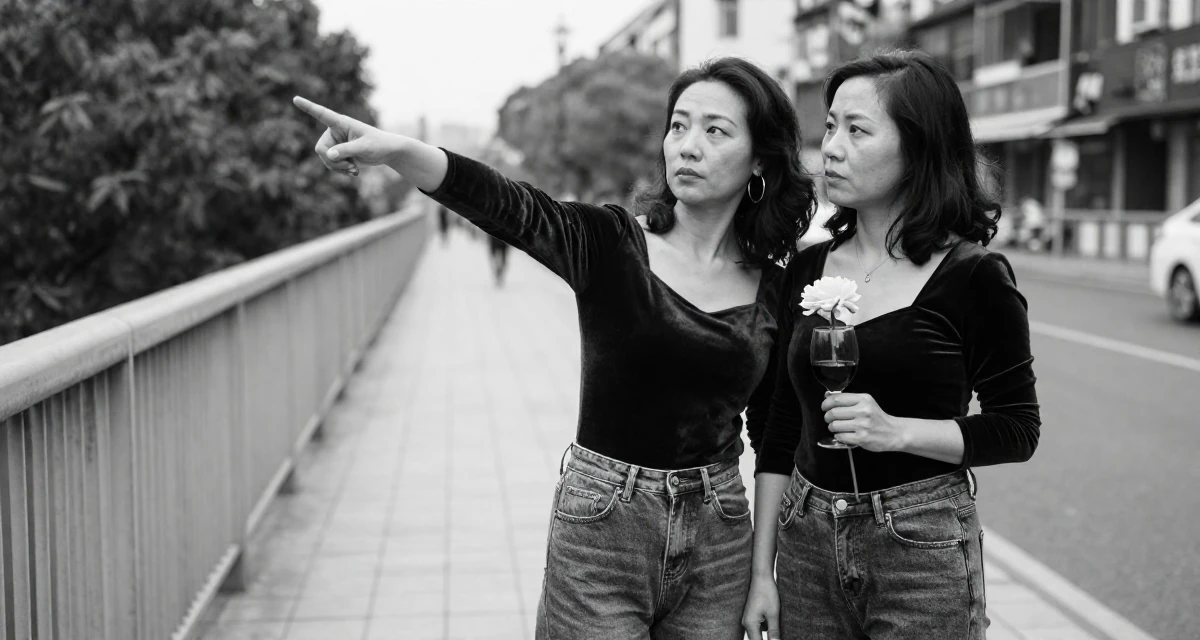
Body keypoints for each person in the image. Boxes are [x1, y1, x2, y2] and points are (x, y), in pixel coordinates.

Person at [293, 56, 816, 639]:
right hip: (603, 531)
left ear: (760, 161)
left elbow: (773, 434)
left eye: (715, 131)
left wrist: (763, 571)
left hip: (720, 540)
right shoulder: (611, 243)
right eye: (678, 125)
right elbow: (507, 204)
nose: (687, 146)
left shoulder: (774, 286)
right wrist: (397, 150)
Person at [742, 50, 1041, 639]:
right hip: (806, 542)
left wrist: (897, 431)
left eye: (857, 130)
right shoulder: (807, 270)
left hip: (920, 545)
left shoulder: (974, 276)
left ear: (918, 147)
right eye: (830, 126)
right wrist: (762, 572)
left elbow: (1017, 428)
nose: (830, 146)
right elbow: (779, 429)